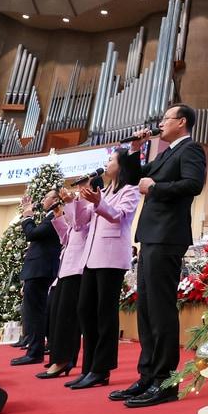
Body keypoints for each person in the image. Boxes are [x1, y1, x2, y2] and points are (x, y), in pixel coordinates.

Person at [109, 104, 206, 408]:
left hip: (168, 235)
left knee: (161, 309)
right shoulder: (165, 154)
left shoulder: (190, 149)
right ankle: (147, 375)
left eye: (166, 119)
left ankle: (165, 381)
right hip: (151, 236)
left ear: (181, 122)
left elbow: (194, 184)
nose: (160, 124)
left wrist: (156, 187)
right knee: (147, 308)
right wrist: (136, 149)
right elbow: (132, 178)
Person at [69, 152, 141, 391]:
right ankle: (89, 367)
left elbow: (118, 216)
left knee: (105, 313)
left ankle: (101, 369)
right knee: (85, 310)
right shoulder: (105, 191)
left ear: (121, 166)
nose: (106, 164)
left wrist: (98, 202)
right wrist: (80, 199)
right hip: (91, 257)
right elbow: (80, 223)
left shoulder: (130, 190)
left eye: (111, 160)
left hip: (111, 258)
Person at [38, 185, 90, 380]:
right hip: (65, 268)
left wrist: (70, 204)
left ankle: (63, 359)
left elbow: (79, 225)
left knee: (67, 318)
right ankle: (58, 357)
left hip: (78, 268)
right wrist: (59, 215)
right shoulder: (76, 206)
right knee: (56, 315)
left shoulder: (88, 207)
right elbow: (66, 237)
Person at [11, 190, 67, 366]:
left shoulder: (54, 217)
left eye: (46, 197)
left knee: (36, 312)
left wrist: (27, 216)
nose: (43, 200)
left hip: (41, 269)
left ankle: (35, 352)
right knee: (33, 312)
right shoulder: (48, 217)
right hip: (38, 268)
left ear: (55, 200)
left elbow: (32, 234)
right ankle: (34, 350)